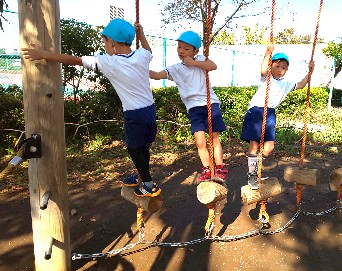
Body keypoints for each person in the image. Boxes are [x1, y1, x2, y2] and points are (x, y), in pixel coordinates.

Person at [21, 18, 161, 197]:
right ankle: (143, 175)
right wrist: (142, 35)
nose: (104, 45)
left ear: (111, 42)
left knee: (134, 148)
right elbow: (149, 52)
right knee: (142, 147)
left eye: (104, 41)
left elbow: (74, 60)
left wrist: (44, 54)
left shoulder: (109, 62)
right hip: (150, 110)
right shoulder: (141, 55)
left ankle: (148, 184)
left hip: (134, 114)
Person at [150, 31, 228, 182]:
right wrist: (139, 70)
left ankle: (219, 168)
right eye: (179, 47)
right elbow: (157, 75)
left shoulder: (200, 60)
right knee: (200, 142)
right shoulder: (176, 69)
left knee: (214, 138)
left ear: (195, 51)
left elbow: (213, 66)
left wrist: (194, 63)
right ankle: (206, 169)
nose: (181, 51)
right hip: (193, 108)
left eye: (186, 49)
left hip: (210, 103)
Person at [240, 44, 315, 190]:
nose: (280, 70)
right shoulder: (267, 77)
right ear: (271, 66)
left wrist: (310, 72)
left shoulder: (286, 83)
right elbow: (263, 69)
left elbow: (301, 85)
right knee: (254, 145)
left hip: (270, 113)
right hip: (256, 111)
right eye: (277, 66)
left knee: (268, 147)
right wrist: (268, 52)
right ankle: (252, 175)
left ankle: (257, 170)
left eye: (284, 68)